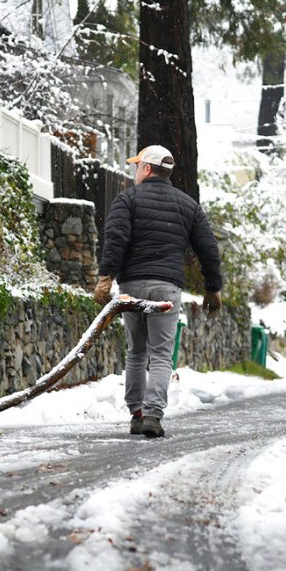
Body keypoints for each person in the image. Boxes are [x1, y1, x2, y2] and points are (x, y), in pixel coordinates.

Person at [94, 144, 223, 438]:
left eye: (137, 166)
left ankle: (136, 413)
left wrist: (105, 278)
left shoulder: (127, 199)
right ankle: (153, 415)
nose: (136, 171)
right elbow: (208, 248)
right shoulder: (187, 205)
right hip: (167, 287)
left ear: (147, 169)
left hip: (132, 286)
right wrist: (213, 289)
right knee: (162, 354)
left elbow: (116, 239)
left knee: (136, 352)